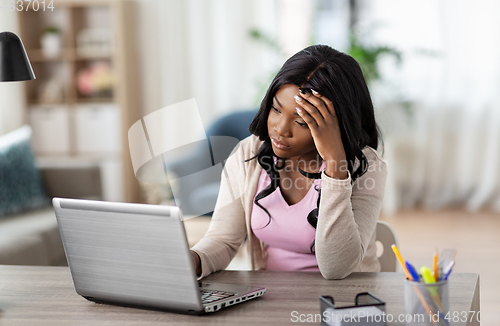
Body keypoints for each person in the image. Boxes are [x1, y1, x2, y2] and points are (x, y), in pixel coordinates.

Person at [190, 44, 387, 280]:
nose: (280, 130)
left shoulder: (366, 167)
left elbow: (337, 269)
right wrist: (193, 260)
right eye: (276, 109)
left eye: (302, 121)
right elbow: (223, 240)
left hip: (343, 304)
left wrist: (335, 164)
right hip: (272, 300)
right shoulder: (248, 153)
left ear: (337, 124)